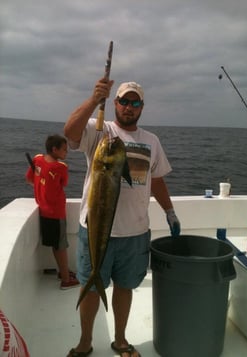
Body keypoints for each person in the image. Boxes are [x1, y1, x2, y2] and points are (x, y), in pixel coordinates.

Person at [64, 79, 181, 357]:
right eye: (124, 101)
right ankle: (85, 342)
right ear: (115, 103)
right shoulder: (98, 129)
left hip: (135, 233)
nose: (129, 107)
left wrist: (170, 211)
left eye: (135, 102)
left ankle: (119, 340)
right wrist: (94, 99)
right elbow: (69, 131)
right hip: (94, 228)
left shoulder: (151, 140)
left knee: (125, 287)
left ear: (142, 107)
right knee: (92, 288)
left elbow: (158, 180)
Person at [25, 134, 80, 290]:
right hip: (56, 213)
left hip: (44, 211)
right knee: (61, 246)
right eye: (64, 150)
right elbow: (64, 183)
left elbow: (29, 179)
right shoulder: (61, 167)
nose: (66, 153)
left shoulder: (37, 160)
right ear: (55, 149)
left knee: (56, 245)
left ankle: (62, 272)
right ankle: (65, 280)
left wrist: (41, 187)